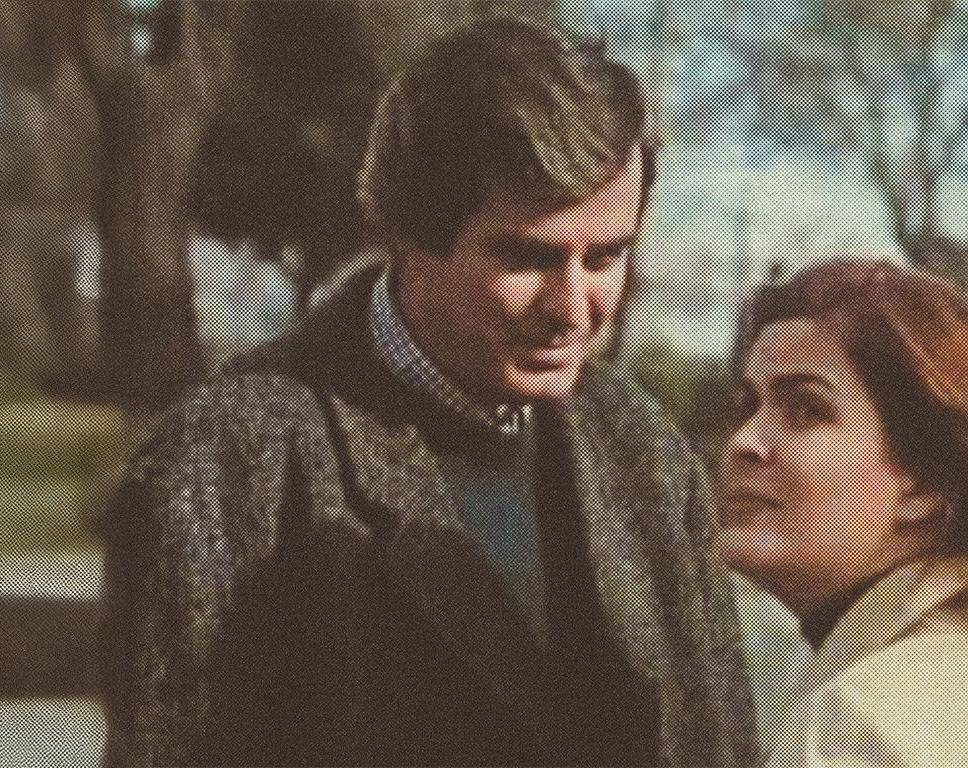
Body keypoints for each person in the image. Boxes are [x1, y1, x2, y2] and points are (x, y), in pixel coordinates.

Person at [101, 18, 756, 767]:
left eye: (606, 258)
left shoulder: (650, 457)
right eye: (529, 258)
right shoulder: (219, 469)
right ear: (411, 241)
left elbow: (719, 743)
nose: (575, 307)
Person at [719, 258, 968, 768]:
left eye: (806, 411)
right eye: (747, 407)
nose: (743, 442)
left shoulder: (872, 715)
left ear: (927, 485)